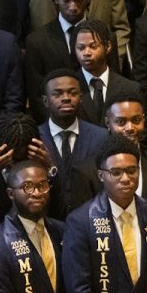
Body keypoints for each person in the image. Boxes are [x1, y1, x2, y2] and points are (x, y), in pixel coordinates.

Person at [62, 135, 147, 293]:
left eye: (131, 170)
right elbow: (79, 289)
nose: (125, 179)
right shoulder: (80, 221)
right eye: (116, 172)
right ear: (101, 175)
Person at [0, 160, 68, 293]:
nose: (37, 193)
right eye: (27, 187)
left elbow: (74, 287)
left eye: (43, 185)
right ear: (11, 194)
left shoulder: (62, 231)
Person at [38, 68, 109, 215]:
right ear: (45, 101)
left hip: (91, 220)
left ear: (81, 97)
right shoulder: (35, 138)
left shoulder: (100, 137)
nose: (66, 98)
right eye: (57, 94)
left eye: (72, 93)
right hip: (47, 222)